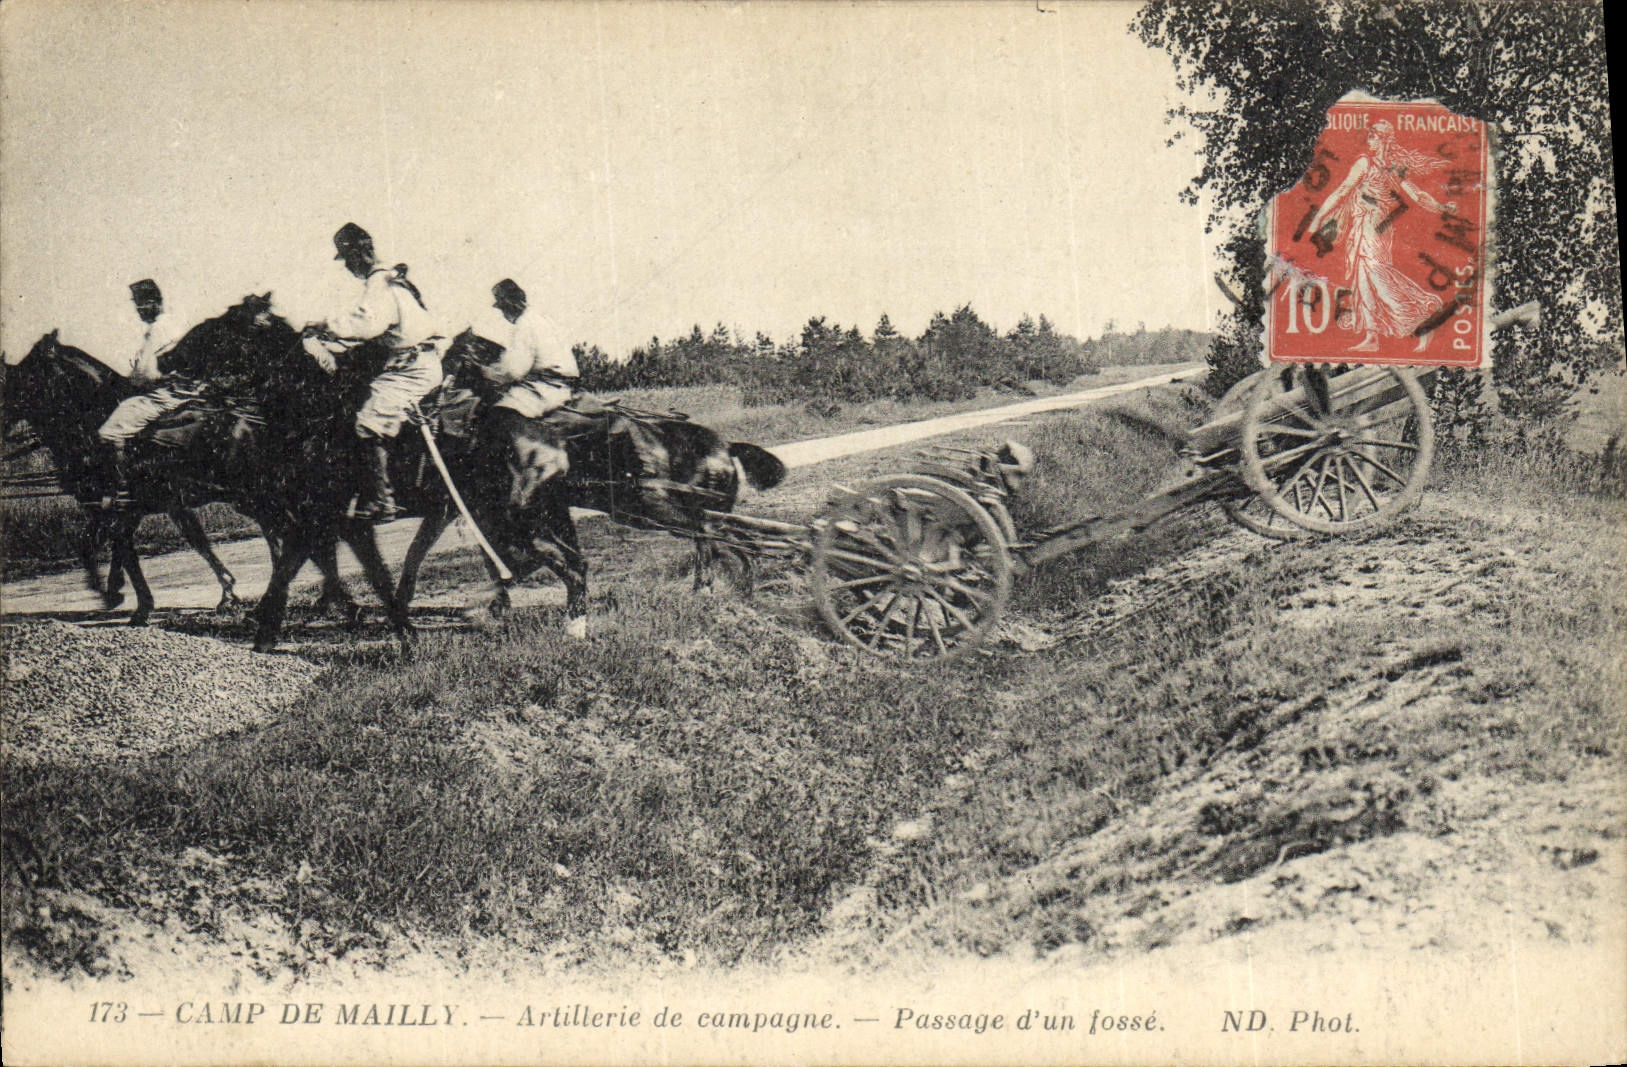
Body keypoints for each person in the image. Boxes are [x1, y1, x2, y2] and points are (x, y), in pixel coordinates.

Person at [304, 223, 445, 521]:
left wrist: (324, 325)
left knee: (367, 423)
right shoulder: (390, 279)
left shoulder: (379, 282)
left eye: (348, 259)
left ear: (360, 253)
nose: (348, 267)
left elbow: (368, 323)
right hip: (409, 362)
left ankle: (382, 501)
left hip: (412, 368)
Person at [1308, 120, 1457, 353]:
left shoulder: (1385, 166)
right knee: (1363, 279)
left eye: (1374, 137)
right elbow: (1343, 190)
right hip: (1365, 225)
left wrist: (1440, 207)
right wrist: (1318, 218)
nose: (1370, 141)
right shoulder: (1368, 163)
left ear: (1385, 140)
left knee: (1377, 276)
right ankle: (1371, 337)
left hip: (1374, 227)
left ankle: (1423, 313)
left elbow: (1416, 195)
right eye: (1369, 137)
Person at [94, 279, 191, 508]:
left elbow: (146, 374)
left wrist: (130, 381)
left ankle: (122, 491)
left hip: (164, 395)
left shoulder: (157, 330)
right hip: (182, 390)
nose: (138, 311)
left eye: (141, 305)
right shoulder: (173, 324)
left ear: (155, 302)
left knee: (109, 432)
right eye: (137, 305)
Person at [480, 278, 579, 420]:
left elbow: (514, 371)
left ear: (509, 304)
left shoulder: (524, 324)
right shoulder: (542, 318)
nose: (503, 314)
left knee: (497, 415)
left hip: (545, 389)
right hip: (565, 386)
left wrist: (489, 373)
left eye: (502, 308)